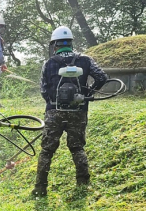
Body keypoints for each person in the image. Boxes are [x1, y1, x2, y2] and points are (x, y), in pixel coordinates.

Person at [32, 26, 108, 198]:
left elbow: (43, 89)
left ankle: (40, 188)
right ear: (71, 43)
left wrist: (52, 105)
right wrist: (87, 93)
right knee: (77, 148)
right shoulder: (85, 60)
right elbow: (102, 77)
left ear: (55, 45)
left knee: (47, 150)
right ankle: (82, 185)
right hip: (78, 111)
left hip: (54, 112)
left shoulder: (49, 63)